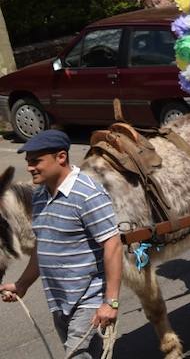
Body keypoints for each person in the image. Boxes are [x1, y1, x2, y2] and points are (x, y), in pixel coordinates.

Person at [1, 130, 122, 359]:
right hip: (59, 301)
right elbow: (44, 247)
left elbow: (113, 245)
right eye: (28, 162)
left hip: (89, 300)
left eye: (36, 161)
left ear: (61, 157)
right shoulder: (39, 196)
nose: (29, 167)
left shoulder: (87, 194)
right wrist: (22, 284)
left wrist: (111, 302)